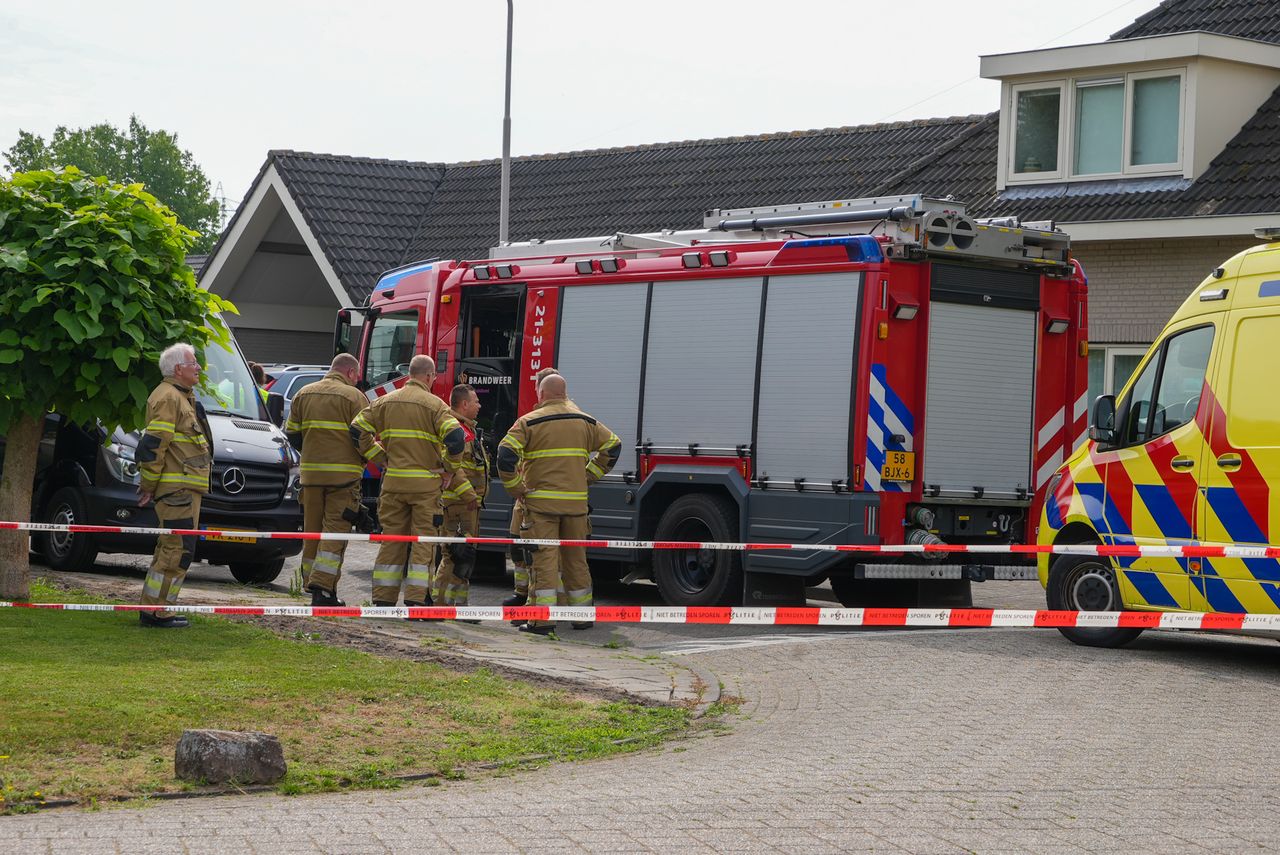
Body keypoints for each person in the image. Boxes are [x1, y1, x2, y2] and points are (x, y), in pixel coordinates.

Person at [497, 373, 620, 635]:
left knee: (544, 562)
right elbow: (613, 446)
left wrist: (515, 488)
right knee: (576, 562)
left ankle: (542, 622)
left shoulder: (529, 422)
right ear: (564, 393)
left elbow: (505, 455)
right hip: (576, 507)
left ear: (541, 395)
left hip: (541, 508)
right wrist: (589, 475)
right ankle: (582, 617)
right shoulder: (586, 421)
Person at [351, 355, 465, 608]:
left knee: (392, 541)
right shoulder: (435, 405)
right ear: (428, 376)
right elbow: (456, 438)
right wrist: (448, 468)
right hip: (425, 488)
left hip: (393, 486)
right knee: (423, 544)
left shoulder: (384, 402)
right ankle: (417, 600)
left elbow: (357, 429)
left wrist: (379, 457)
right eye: (434, 377)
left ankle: (383, 598)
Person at [135, 343, 212, 628]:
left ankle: (156, 608)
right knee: (177, 549)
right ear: (178, 369)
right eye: (194, 364)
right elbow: (154, 445)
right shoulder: (169, 397)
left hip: (183, 487)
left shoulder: (180, 397)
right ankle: (157, 611)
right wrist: (148, 485)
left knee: (174, 547)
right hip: (176, 489)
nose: (199, 368)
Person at [284, 353, 368, 606]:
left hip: (310, 477)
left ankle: (310, 582)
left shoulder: (303, 394)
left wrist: (311, 455)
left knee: (312, 531)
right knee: (335, 531)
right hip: (343, 479)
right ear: (351, 373)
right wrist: (365, 459)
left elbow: (292, 434)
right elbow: (362, 436)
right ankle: (323, 588)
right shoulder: (355, 397)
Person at [502, 366, 564, 614]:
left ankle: (538, 604)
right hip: (526, 494)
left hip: (539, 497)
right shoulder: (532, 418)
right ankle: (522, 593)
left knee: (542, 556)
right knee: (519, 547)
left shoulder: (546, 420)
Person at [433, 384, 486, 608]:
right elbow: (453, 468)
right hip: (459, 505)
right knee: (454, 555)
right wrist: (469, 496)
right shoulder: (456, 430)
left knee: (465, 556)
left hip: (467, 505)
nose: (479, 405)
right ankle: (440, 604)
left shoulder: (467, 429)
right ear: (464, 404)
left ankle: (458, 606)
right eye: (475, 401)